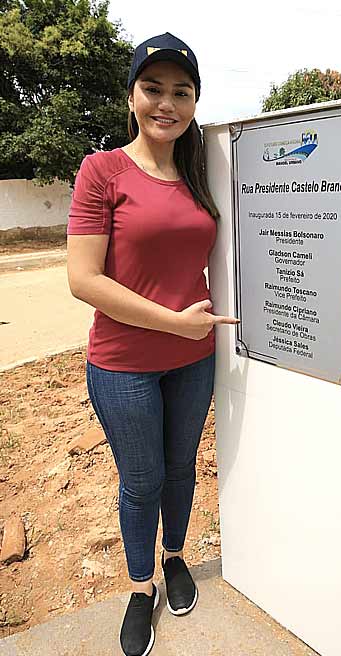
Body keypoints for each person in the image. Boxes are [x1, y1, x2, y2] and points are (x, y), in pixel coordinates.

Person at [66, 33, 239, 656]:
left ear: (195, 102)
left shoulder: (199, 172)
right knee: (140, 483)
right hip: (125, 366)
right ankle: (141, 590)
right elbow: (82, 279)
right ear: (132, 94)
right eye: (154, 88)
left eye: (181, 92)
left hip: (194, 361)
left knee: (180, 471)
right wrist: (175, 324)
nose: (167, 103)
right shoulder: (102, 170)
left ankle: (174, 558)